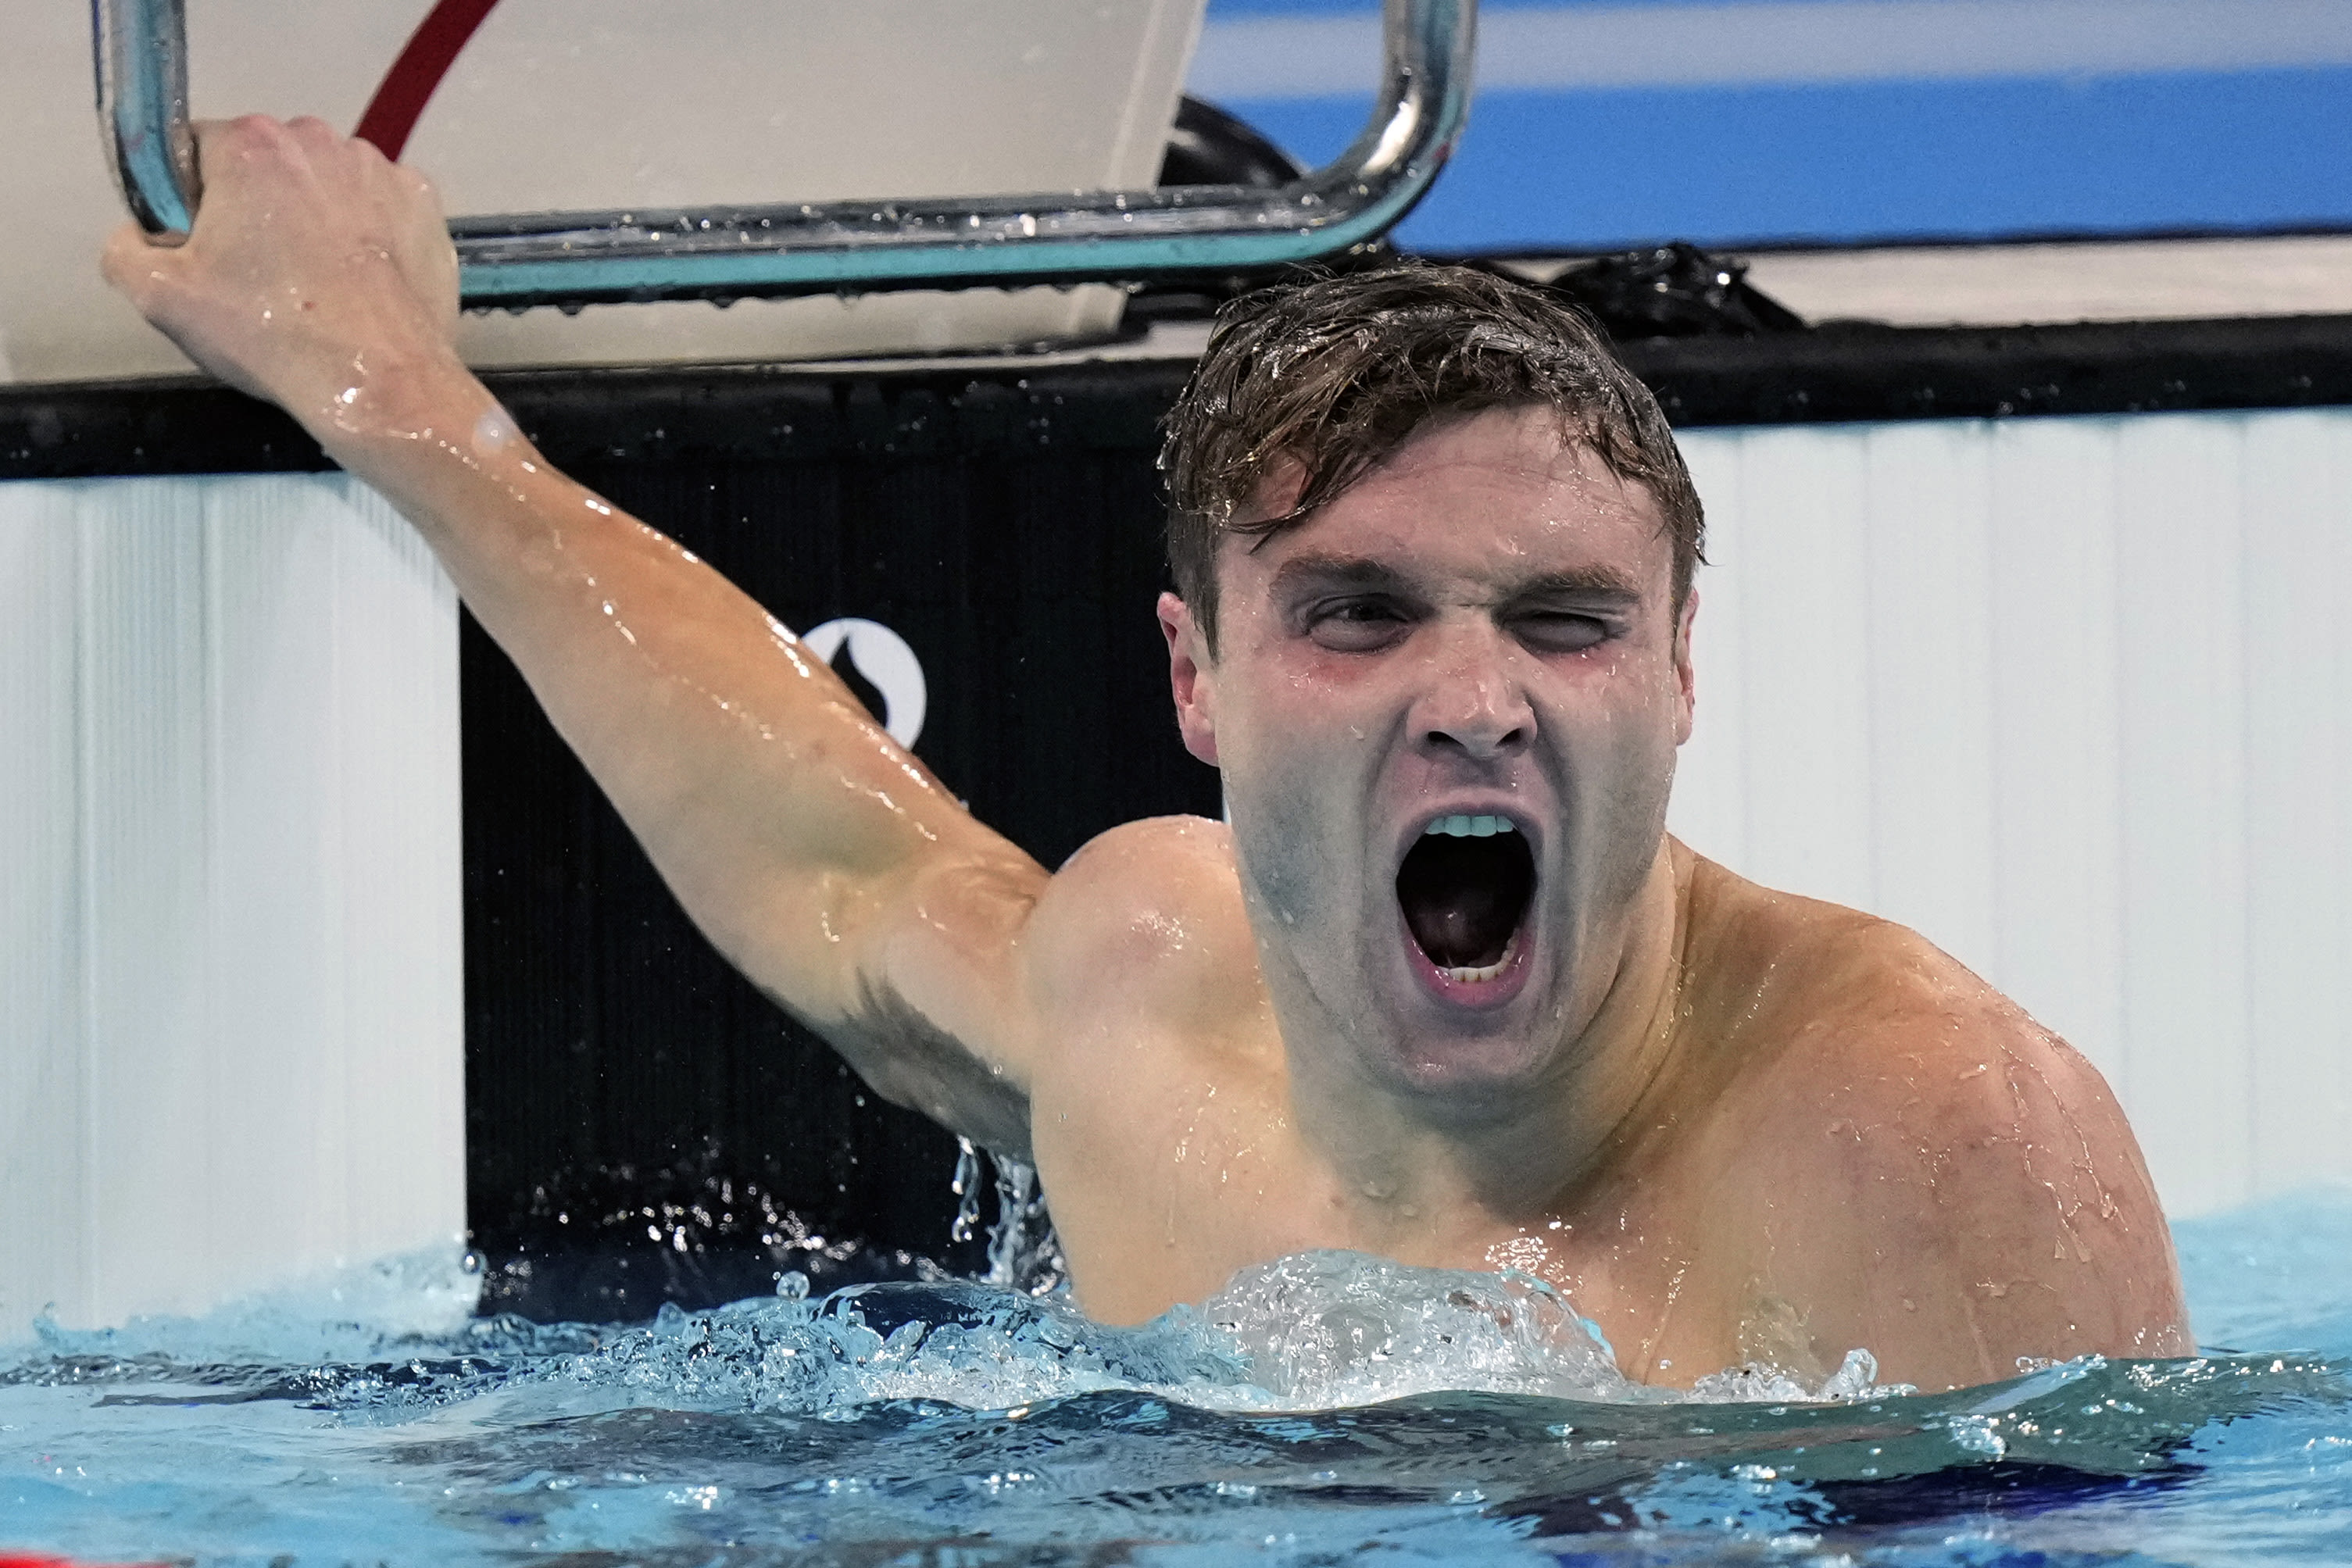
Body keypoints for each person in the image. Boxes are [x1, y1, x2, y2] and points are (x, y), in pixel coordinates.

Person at [105, 116, 2190, 1392]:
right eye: (1359, 615)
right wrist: (387, 386)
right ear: (1197, 681)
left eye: (1564, 620)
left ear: (1675, 673)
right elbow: (829, 860)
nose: (1475, 696)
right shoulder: (1150, 996)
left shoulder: (1917, 1151)